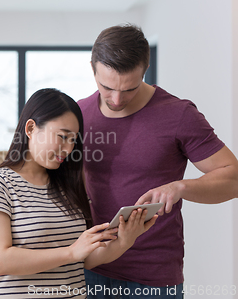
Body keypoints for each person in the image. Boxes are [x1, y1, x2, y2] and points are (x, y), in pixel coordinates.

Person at [78, 24, 238, 298]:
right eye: (106, 87)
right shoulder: (78, 113)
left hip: (153, 279)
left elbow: (233, 178)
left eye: (129, 88)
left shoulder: (178, 114)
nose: (116, 99)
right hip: (90, 267)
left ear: (145, 70)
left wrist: (180, 187)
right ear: (92, 68)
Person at [0, 88, 157, 298]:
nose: (68, 149)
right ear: (31, 128)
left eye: (73, 140)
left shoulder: (68, 186)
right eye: (62, 136)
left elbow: (84, 258)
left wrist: (124, 241)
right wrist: (71, 252)